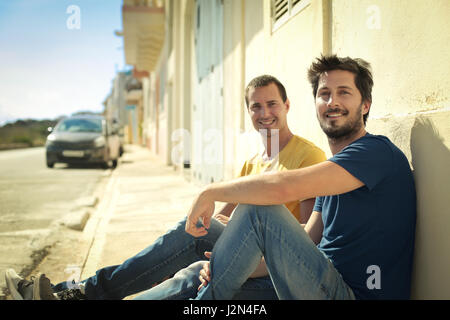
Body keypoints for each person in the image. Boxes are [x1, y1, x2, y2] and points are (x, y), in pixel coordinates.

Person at [5, 75, 326, 300]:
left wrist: (240, 250)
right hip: (246, 244)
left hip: (274, 257)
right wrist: (211, 226)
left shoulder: (308, 155)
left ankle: (79, 294)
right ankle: (73, 292)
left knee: (188, 246)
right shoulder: (253, 160)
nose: (265, 113)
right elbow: (225, 218)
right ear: (249, 113)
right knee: (191, 232)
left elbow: (306, 234)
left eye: (272, 104)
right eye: (256, 106)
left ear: (286, 105)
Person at [134, 54, 416, 300]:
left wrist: (210, 192)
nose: (332, 101)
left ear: (365, 105)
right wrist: (237, 266)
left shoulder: (376, 153)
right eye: (324, 93)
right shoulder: (334, 170)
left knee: (259, 210)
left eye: (344, 92)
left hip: (350, 293)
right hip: (315, 282)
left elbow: (283, 188)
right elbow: (309, 239)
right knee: (197, 275)